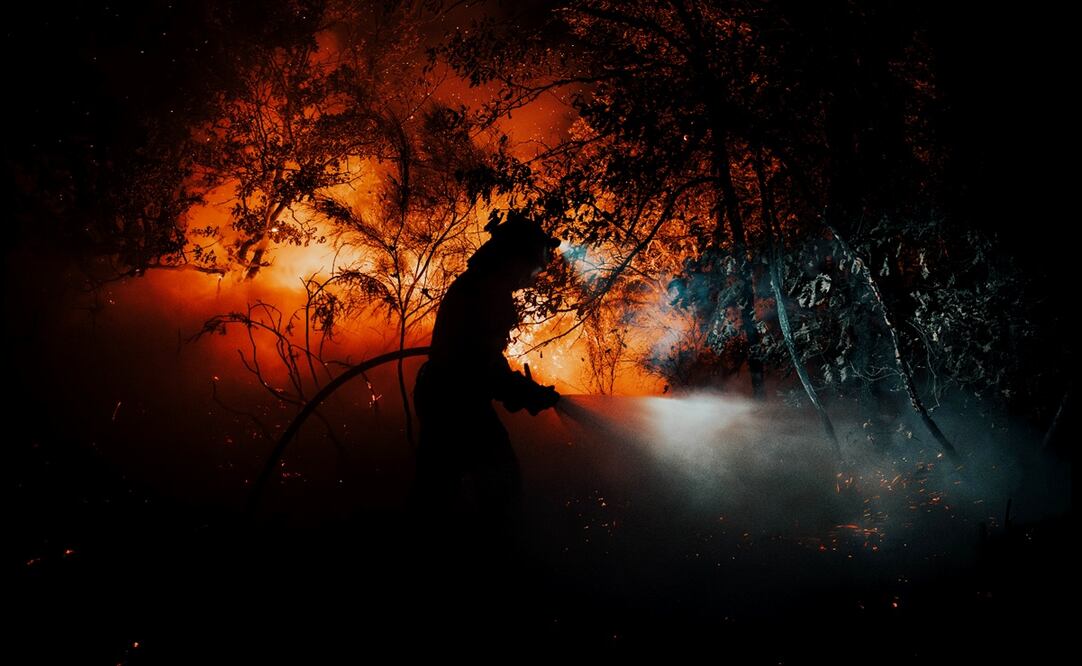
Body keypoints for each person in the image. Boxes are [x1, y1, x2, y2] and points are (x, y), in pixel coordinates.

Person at [412, 212, 560, 530]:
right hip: (457, 404)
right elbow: (479, 364)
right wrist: (524, 392)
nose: (532, 276)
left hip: (443, 395)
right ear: (514, 258)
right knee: (500, 489)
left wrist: (518, 390)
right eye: (533, 266)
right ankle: (498, 559)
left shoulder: (477, 286)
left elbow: (484, 358)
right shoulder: (487, 294)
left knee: (438, 491)